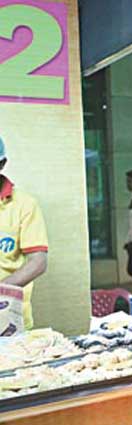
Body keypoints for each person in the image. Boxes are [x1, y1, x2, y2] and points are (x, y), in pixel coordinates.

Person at [0, 135, 49, 332]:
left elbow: (38, 262)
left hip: (6, 313)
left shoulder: (24, 205)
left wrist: (1, 288)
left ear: (2, 164)